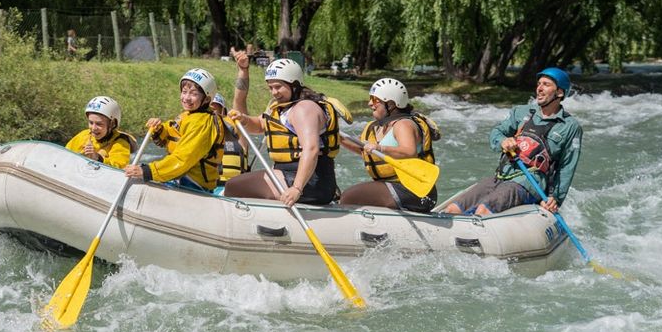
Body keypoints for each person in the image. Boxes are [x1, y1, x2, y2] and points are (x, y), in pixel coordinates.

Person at [444, 67, 583, 216]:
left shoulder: (570, 127)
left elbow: (567, 167)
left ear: (559, 92)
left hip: (529, 183)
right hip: (502, 176)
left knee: (483, 210)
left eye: (546, 84)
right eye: (539, 84)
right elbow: (497, 132)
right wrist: (503, 141)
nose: (539, 88)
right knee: (452, 209)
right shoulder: (521, 112)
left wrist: (555, 198)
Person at [223, 50, 348, 207]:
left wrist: (297, 188)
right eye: (270, 87)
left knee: (233, 186)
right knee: (236, 185)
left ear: (294, 84)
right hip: (290, 176)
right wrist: (244, 119)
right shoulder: (282, 108)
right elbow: (260, 125)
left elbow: (311, 149)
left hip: (310, 182)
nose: (274, 92)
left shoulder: (304, 109)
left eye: (278, 87)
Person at [339, 78, 440, 212]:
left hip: (415, 191)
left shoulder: (404, 124)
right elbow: (362, 149)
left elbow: (409, 151)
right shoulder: (376, 127)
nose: (370, 103)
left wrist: (380, 147)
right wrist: (336, 136)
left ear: (391, 104)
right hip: (393, 186)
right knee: (343, 196)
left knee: (348, 197)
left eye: (375, 100)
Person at [124, 68, 224, 192]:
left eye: (193, 94)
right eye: (184, 92)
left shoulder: (202, 123)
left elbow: (183, 159)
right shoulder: (188, 115)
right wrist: (159, 129)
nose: (186, 98)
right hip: (180, 176)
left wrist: (148, 171)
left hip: (194, 185)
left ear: (207, 99)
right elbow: (171, 133)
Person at [65, 96, 136, 168]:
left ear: (112, 124)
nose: (93, 128)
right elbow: (65, 154)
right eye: (91, 122)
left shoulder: (121, 142)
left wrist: (97, 158)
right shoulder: (84, 135)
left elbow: (118, 167)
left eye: (99, 124)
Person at [210, 93, 253, 185]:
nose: (212, 114)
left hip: (237, 186)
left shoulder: (237, 132)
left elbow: (240, 101)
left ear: (223, 112)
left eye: (215, 110)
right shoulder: (198, 131)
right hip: (212, 185)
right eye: (208, 110)